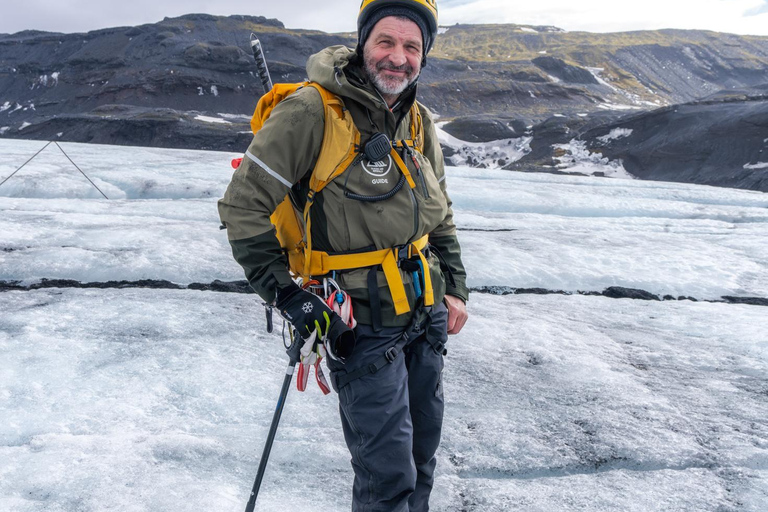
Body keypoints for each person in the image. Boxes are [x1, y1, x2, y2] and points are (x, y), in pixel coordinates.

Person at [218, 0, 468, 509]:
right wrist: (288, 297)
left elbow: (438, 211)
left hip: (425, 313)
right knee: (387, 476)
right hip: (359, 326)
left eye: (411, 47)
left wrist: (456, 288)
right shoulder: (312, 111)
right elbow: (242, 207)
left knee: (421, 460)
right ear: (362, 43)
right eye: (386, 42)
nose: (398, 57)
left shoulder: (417, 120)